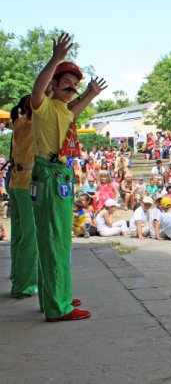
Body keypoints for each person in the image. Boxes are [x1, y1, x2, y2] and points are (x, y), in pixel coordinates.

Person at [30, 33, 106, 321]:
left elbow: (77, 107)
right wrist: (56, 59)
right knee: (54, 239)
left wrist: (91, 93)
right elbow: (38, 89)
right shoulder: (42, 105)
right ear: (53, 84)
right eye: (66, 82)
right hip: (49, 175)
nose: (71, 88)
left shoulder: (63, 109)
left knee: (57, 239)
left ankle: (56, 295)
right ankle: (58, 307)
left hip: (58, 173)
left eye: (74, 86)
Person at [8, 96, 38, 298]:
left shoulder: (18, 121)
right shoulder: (33, 124)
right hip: (27, 183)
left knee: (18, 234)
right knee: (30, 236)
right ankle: (25, 285)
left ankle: (17, 275)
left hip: (15, 181)